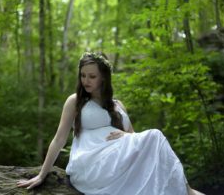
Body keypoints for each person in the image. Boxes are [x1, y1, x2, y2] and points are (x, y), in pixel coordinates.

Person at [17, 52, 204, 195]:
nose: (86, 81)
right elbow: (59, 139)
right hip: (91, 164)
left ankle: (185, 190)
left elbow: (136, 140)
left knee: (155, 139)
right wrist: (42, 174)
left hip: (118, 161)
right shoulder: (74, 101)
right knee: (155, 135)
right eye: (83, 75)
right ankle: (188, 192)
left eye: (92, 76)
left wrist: (126, 135)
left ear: (103, 78)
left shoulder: (118, 105)